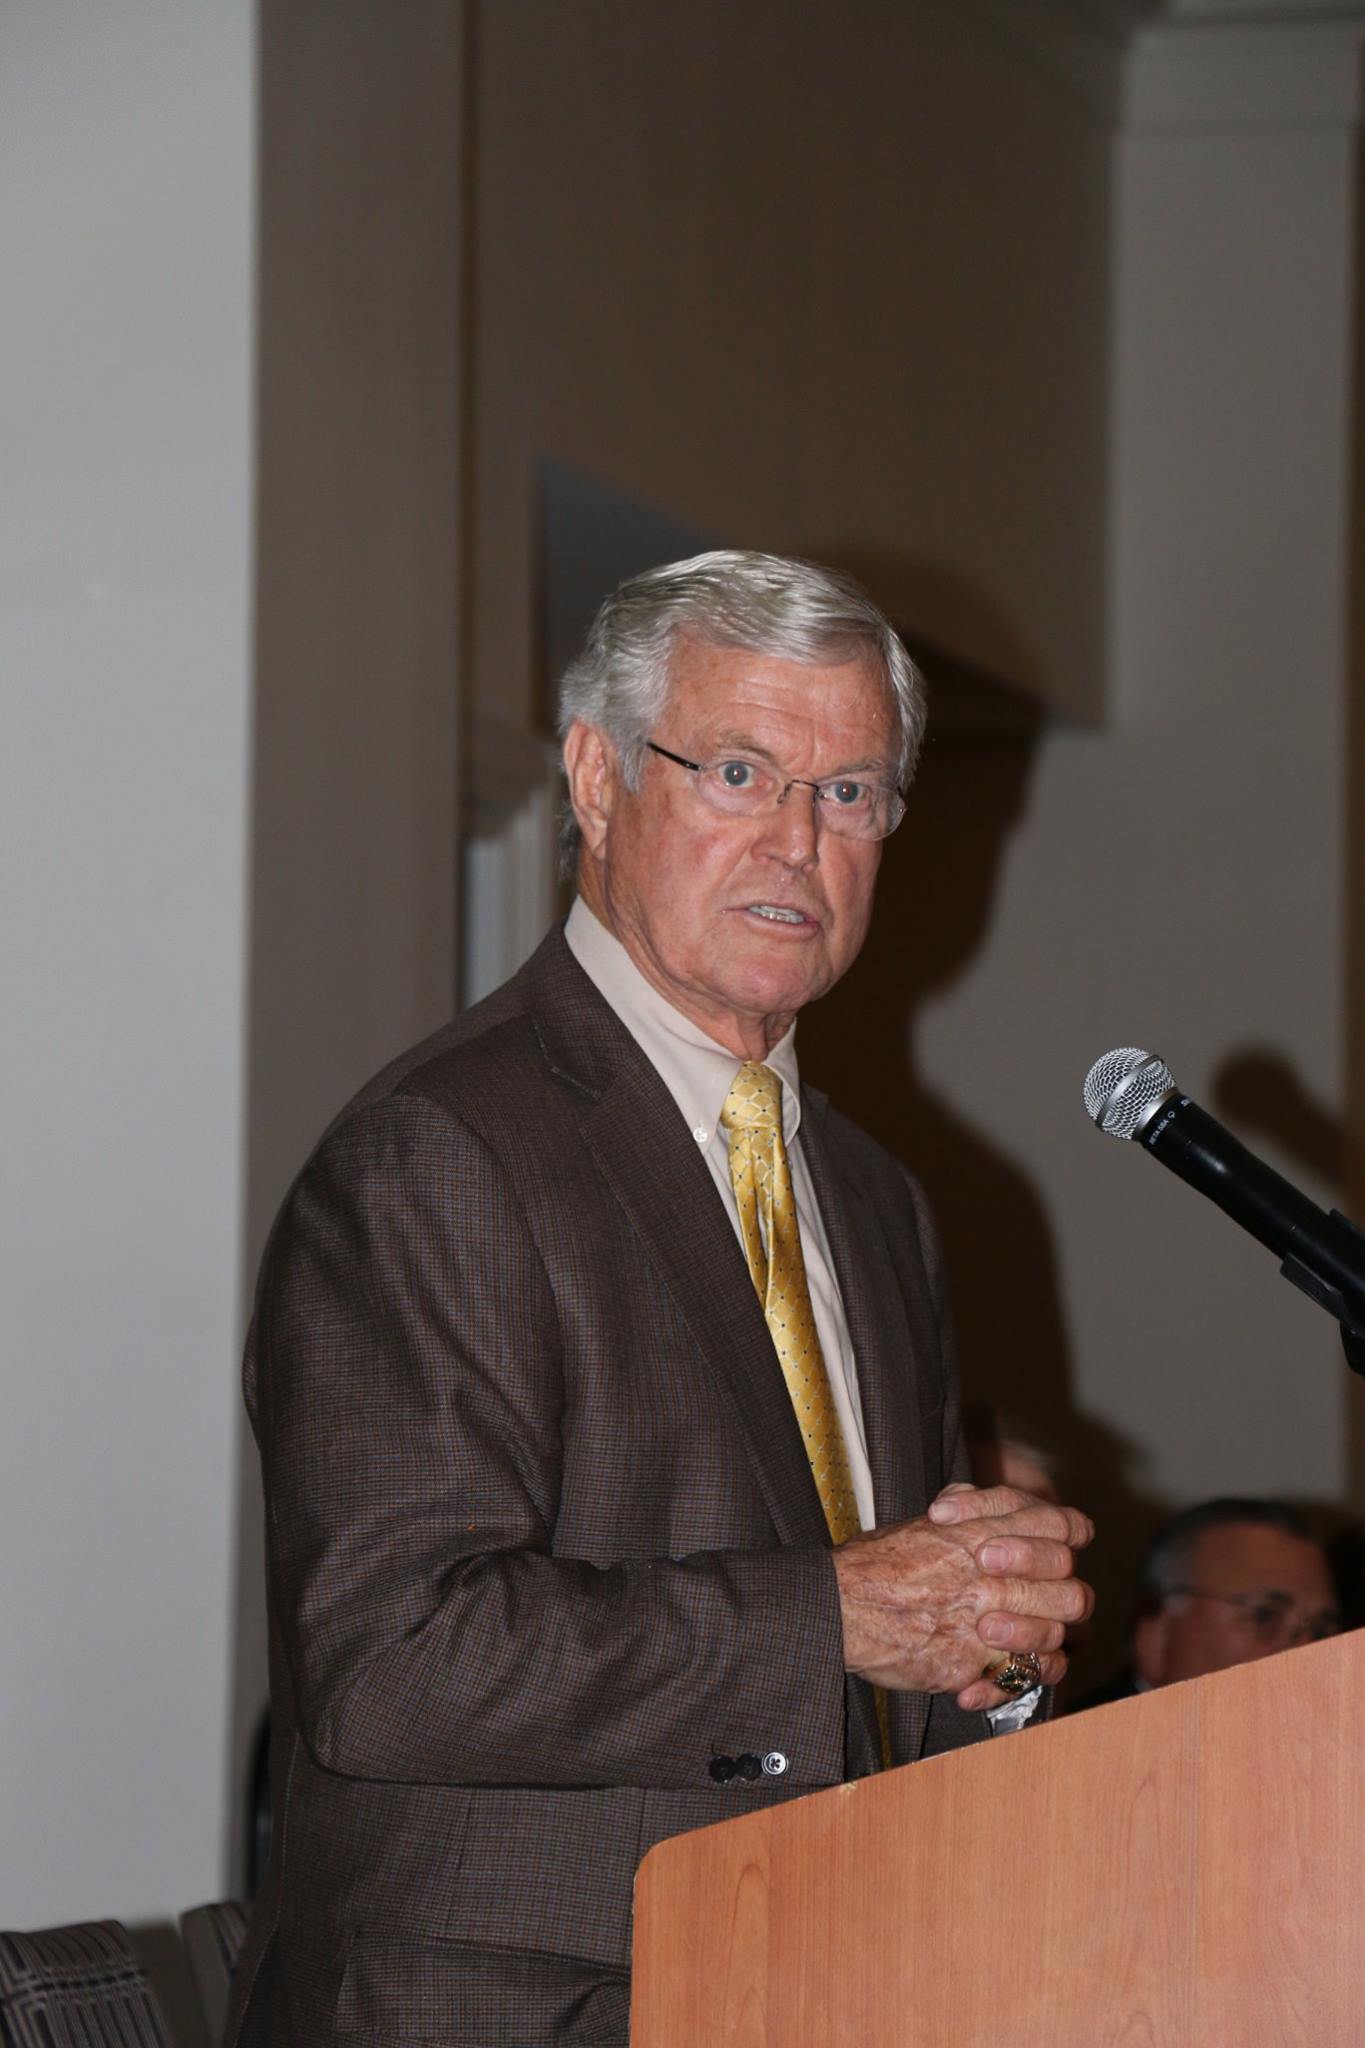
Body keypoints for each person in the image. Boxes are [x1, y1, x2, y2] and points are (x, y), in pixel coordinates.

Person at [227, 551, 1094, 2048]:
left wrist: (985, 1650)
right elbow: (391, 1665)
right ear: (597, 779)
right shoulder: (441, 1152)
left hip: (812, 1981)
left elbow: (857, 1668)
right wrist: (838, 1610)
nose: (798, 845)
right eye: (743, 771)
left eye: (850, 796)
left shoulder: (873, 1198)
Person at [1072, 1496, 1340, 1708]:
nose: (1308, 1650)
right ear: (1156, 1637)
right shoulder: (1073, 1757)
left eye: (1321, 1630)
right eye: (1265, 1616)